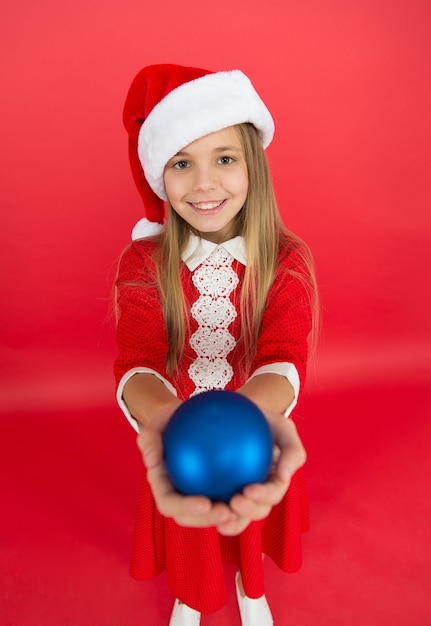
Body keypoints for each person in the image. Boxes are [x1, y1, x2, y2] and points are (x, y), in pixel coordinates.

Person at [114, 64, 318, 626]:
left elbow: (283, 351)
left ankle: (249, 587)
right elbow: (138, 359)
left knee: (247, 510)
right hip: (181, 430)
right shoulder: (142, 265)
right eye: (182, 162)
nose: (204, 184)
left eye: (224, 158)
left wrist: (246, 419)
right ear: (160, 175)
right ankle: (192, 592)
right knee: (192, 521)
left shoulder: (288, 260)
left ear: (253, 165)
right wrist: (171, 423)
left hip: (254, 423)